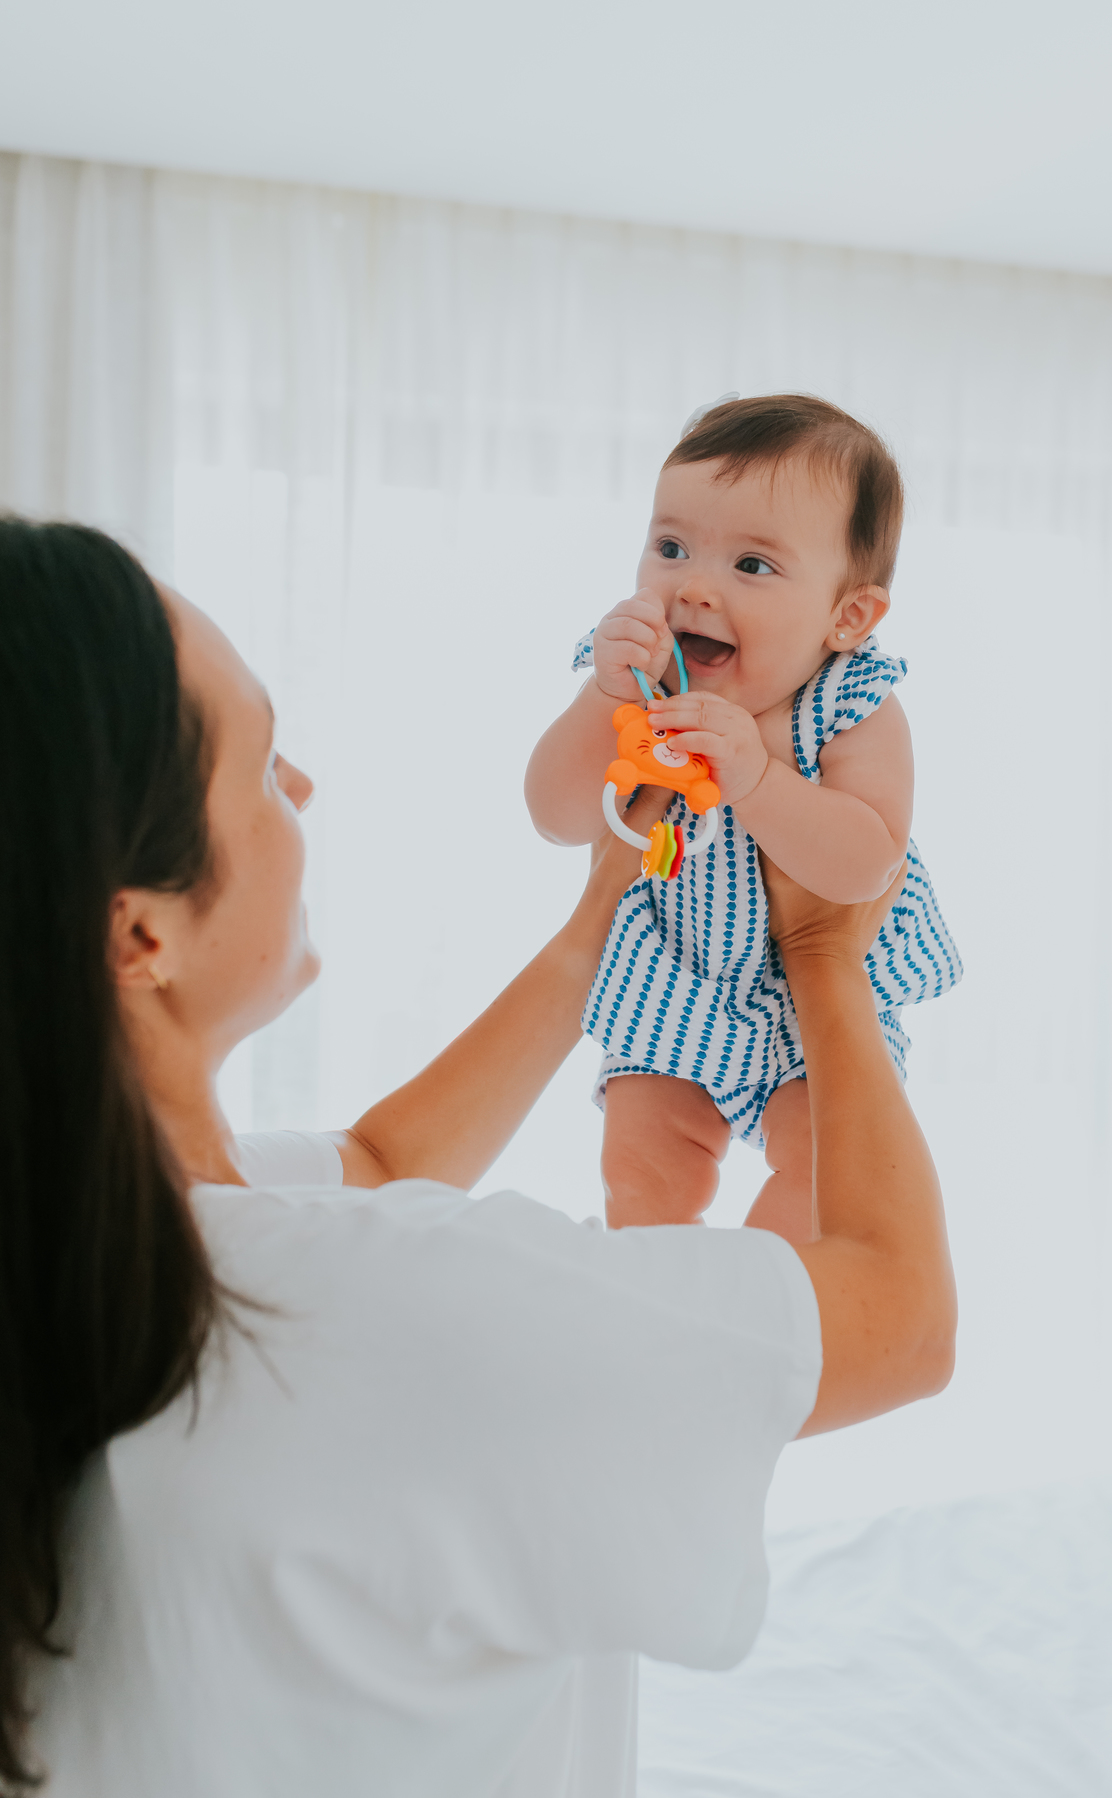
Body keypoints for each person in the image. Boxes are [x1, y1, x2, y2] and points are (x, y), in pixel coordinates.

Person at [0, 517, 955, 1798]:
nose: (304, 790)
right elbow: (901, 1321)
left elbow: (379, 1158)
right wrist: (831, 961)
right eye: (263, 765)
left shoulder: (88, 1227)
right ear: (140, 934)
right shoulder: (394, 1308)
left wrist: (599, 916)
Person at [525, 394, 962, 1239]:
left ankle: (759, 1297)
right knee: (641, 1167)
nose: (692, 586)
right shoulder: (642, 677)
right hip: (676, 970)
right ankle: (661, 1289)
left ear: (849, 616)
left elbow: (868, 862)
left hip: (819, 1001)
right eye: (671, 546)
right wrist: (604, 697)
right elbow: (556, 815)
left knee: (824, 1169)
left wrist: (757, 778)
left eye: (752, 566)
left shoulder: (854, 704)